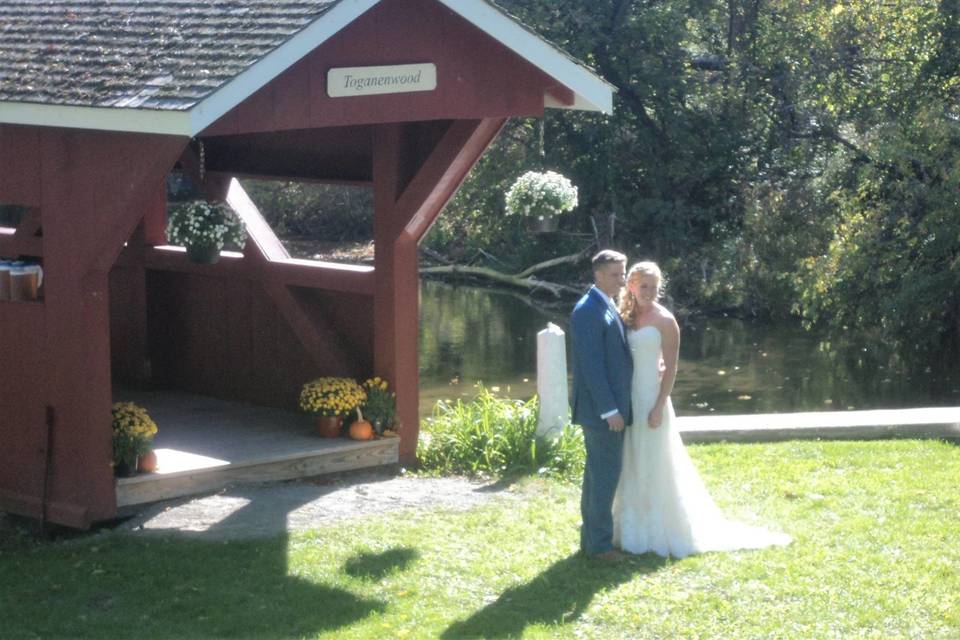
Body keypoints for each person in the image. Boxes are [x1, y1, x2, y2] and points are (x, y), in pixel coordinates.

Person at [612, 261, 792, 558]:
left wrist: (658, 406)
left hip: (651, 399)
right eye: (643, 286)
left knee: (653, 462)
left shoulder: (666, 321)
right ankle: (628, 526)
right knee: (630, 460)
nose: (648, 292)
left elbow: (670, 368)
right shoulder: (625, 317)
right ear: (631, 285)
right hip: (627, 398)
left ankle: (657, 529)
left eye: (654, 287)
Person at [570, 249, 633, 562]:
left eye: (622, 273)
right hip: (600, 412)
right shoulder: (588, 310)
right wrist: (610, 411)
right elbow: (591, 366)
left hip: (605, 409)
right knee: (605, 475)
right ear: (597, 274)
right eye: (614, 274)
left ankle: (592, 541)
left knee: (599, 474)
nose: (621, 280)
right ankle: (599, 546)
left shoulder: (605, 304)